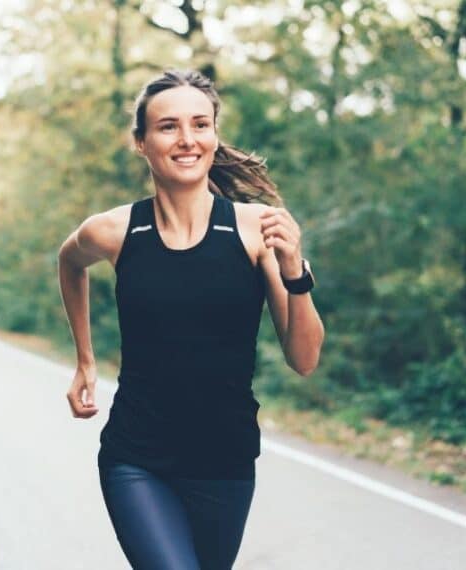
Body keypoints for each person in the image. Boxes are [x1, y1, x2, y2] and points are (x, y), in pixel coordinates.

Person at [57, 69, 325, 569]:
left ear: (214, 136)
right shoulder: (115, 231)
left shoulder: (255, 229)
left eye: (200, 125)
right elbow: (69, 261)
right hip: (136, 458)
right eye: (168, 127)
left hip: (225, 461)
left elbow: (305, 358)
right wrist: (85, 360)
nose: (186, 139)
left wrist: (295, 270)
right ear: (141, 142)